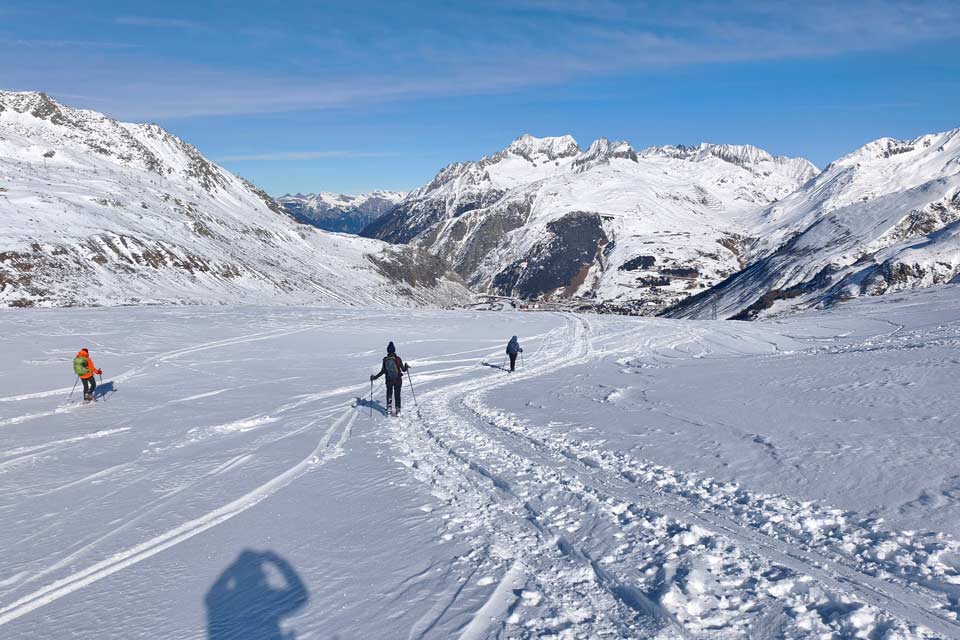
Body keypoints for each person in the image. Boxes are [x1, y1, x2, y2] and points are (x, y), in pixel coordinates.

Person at [370, 341, 409, 417]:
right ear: (394, 350)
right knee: (397, 394)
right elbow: (403, 369)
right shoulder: (398, 359)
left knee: (389, 393)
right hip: (398, 380)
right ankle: (398, 411)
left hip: (389, 380)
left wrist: (375, 377)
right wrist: (406, 366)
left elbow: (383, 371)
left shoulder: (385, 359)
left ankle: (389, 409)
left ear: (387, 350)